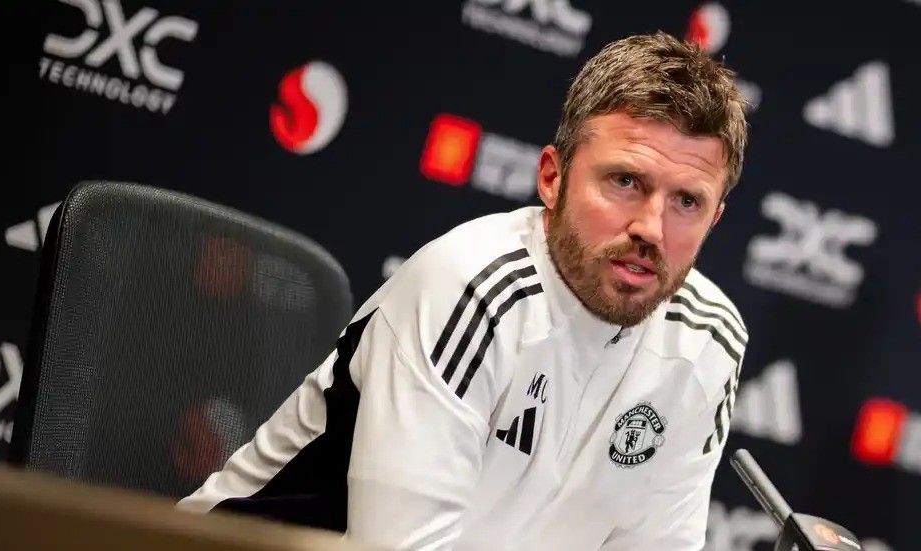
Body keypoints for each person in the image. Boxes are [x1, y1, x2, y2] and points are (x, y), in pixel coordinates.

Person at [177, 31, 751, 550]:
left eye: (687, 201)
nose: (651, 228)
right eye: (625, 181)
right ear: (552, 178)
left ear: (715, 220)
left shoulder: (709, 340)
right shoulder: (471, 289)